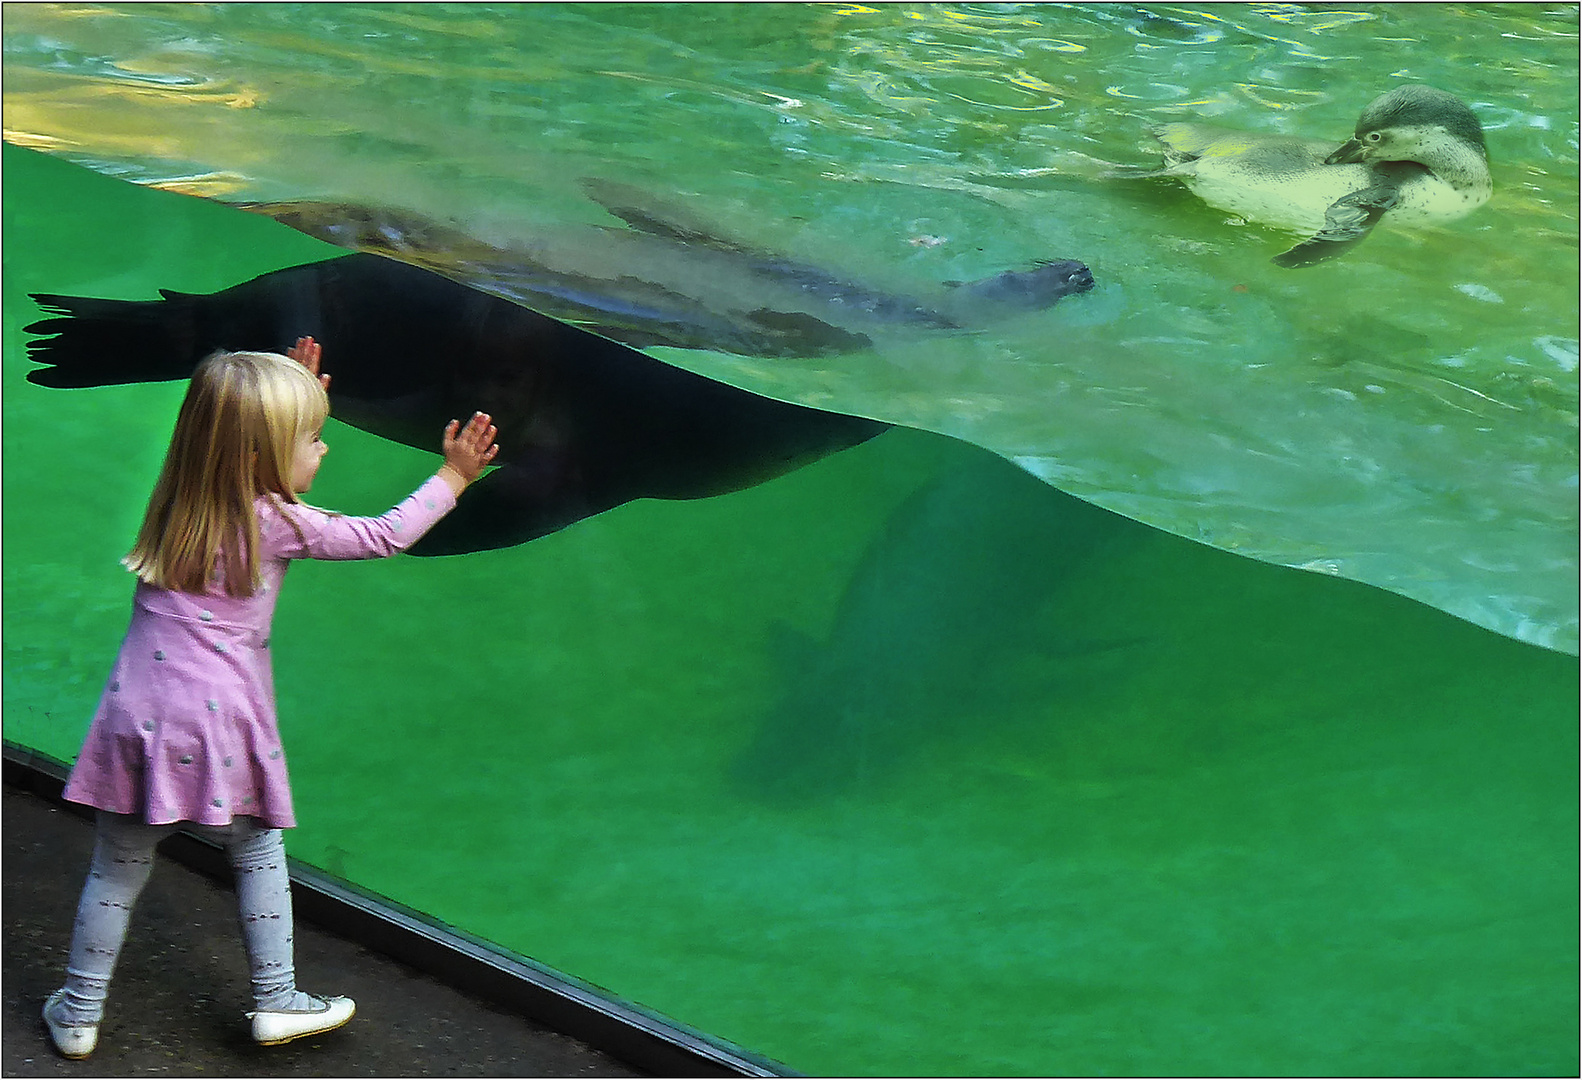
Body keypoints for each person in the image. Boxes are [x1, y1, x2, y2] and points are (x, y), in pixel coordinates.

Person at [41, 337, 499, 1058]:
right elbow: (382, 536)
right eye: (312, 439)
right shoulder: (280, 523)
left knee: (115, 873)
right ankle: (278, 998)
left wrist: (286, 396)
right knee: (257, 855)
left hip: (137, 723)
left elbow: (227, 433)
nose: (323, 452)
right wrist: (454, 474)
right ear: (260, 455)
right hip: (219, 730)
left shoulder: (176, 495)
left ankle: (77, 1012)